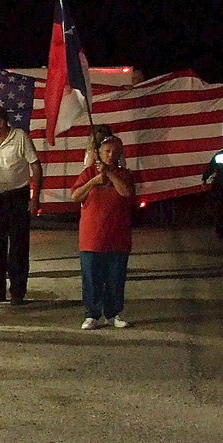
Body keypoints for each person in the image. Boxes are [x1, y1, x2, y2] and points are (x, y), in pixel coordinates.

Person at [0, 104, 43, 304]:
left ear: (2, 122)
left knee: (18, 244)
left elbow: (35, 166)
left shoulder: (20, 137)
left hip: (18, 196)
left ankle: (17, 292)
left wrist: (35, 197)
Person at [70, 134, 135, 329]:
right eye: (107, 151)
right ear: (99, 152)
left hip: (117, 236)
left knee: (115, 278)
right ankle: (92, 314)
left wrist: (110, 174)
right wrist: (93, 181)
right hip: (92, 237)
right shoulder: (88, 173)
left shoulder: (124, 174)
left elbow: (126, 192)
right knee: (91, 278)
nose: (111, 155)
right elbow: (75, 196)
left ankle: (113, 313)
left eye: (115, 151)